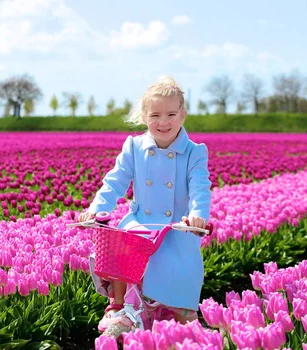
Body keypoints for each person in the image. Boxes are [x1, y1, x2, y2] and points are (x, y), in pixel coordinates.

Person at [77, 76, 212, 332]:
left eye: (171, 114)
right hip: (141, 220)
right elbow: (114, 182)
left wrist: (198, 216)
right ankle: (117, 305)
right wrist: (96, 209)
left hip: (177, 226)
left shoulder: (195, 152)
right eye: (155, 115)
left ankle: (184, 319)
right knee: (120, 242)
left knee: (180, 271)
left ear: (183, 115)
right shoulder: (134, 147)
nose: (163, 122)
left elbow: (200, 188)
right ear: (144, 116)